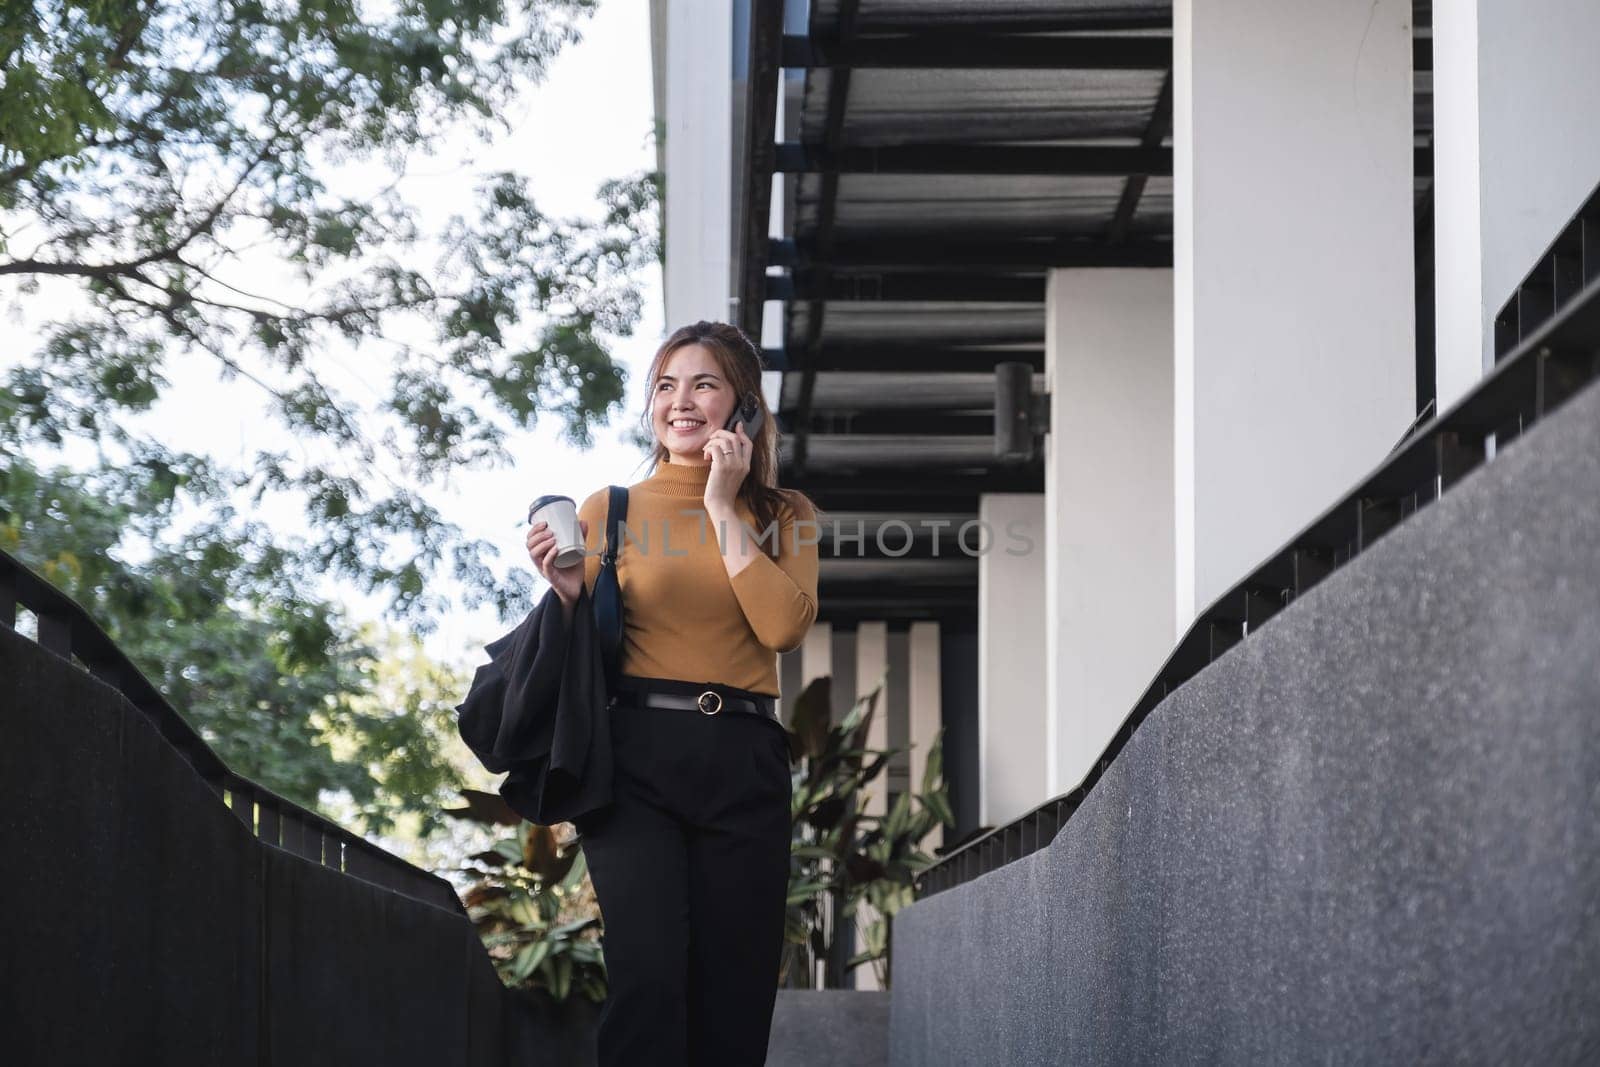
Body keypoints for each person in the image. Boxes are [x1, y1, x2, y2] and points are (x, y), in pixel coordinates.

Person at [523, 320, 820, 1066]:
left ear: (743, 407)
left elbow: (783, 627)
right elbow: (574, 655)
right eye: (665, 385)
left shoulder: (786, 515)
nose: (680, 402)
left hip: (745, 759)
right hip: (635, 763)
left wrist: (722, 506)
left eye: (704, 384)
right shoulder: (609, 509)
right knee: (647, 980)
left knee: (736, 989)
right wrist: (563, 594)